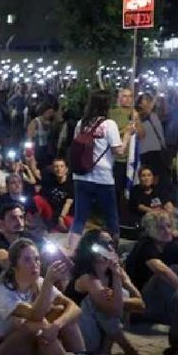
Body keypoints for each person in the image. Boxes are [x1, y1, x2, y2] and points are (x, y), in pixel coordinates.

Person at [0, 238, 85, 355]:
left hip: (30, 348)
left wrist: (56, 325)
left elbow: (74, 308)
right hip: (0, 354)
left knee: (61, 314)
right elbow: (35, 315)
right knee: (37, 326)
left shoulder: (39, 282)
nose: (35, 264)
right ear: (14, 266)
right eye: (27, 260)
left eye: (37, 259)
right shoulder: (2, 291)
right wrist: (50, 282)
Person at [67, 229, 159, 355]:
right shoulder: (87, 278)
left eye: (111, 243)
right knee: (101, 298)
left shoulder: (115, 271)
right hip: (81, 338)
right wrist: (116, 285)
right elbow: (115, 310)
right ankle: (134, 354)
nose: (109, 248)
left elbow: (140, 304)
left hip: (102, 336)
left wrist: (117, 280)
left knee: (120, 294)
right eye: (103, 244)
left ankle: (105, 353)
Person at [68, 90, 134, 250]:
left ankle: (71, 251)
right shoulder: (109, 124)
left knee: (79, 218)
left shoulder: (81, 124)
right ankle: (114, 251)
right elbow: (118, 151)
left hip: (81, 176)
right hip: (102, 178)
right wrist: (127, 135)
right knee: (111, 217)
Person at [125, 210, 178, 324]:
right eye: (161, 228)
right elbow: (161, 270)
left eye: (169, 226)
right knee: (164, 274)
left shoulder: (168, 244)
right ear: (151, 229)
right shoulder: (146, 244)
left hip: (155, 301)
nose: (167, 231)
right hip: (140, 304)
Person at [0, 202, 40, 295]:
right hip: (1, 294)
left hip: (23, 289)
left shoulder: (28, 236)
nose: (19, 222)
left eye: (21, 217)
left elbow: (53, 251)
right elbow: (6, 262)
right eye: (13, 218)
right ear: (1, 223)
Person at [133, 93, 171, 190]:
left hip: (159, 150)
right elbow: (147, 111)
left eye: (149, 99)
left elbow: (165, 112)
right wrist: (157, 94)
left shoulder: (154, 115)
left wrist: (162, 98)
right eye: (145, 99)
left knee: (160, 176)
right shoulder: (138, 116)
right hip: (147, 150)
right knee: (150, 177)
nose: (149, 101)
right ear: (140, 104)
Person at [37, 158, 74, 232]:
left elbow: (68, 203)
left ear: (66, 169)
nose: (59, 169)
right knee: (37, 198)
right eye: (56, 166)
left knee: (69, 224)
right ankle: (37, 223)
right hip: (51, 212)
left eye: (61, 166)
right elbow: (37, 174)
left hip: (65, 213)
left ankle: (55, 227)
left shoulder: (71, 183)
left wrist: (61, 217)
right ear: (53, 169)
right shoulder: (49, 180)